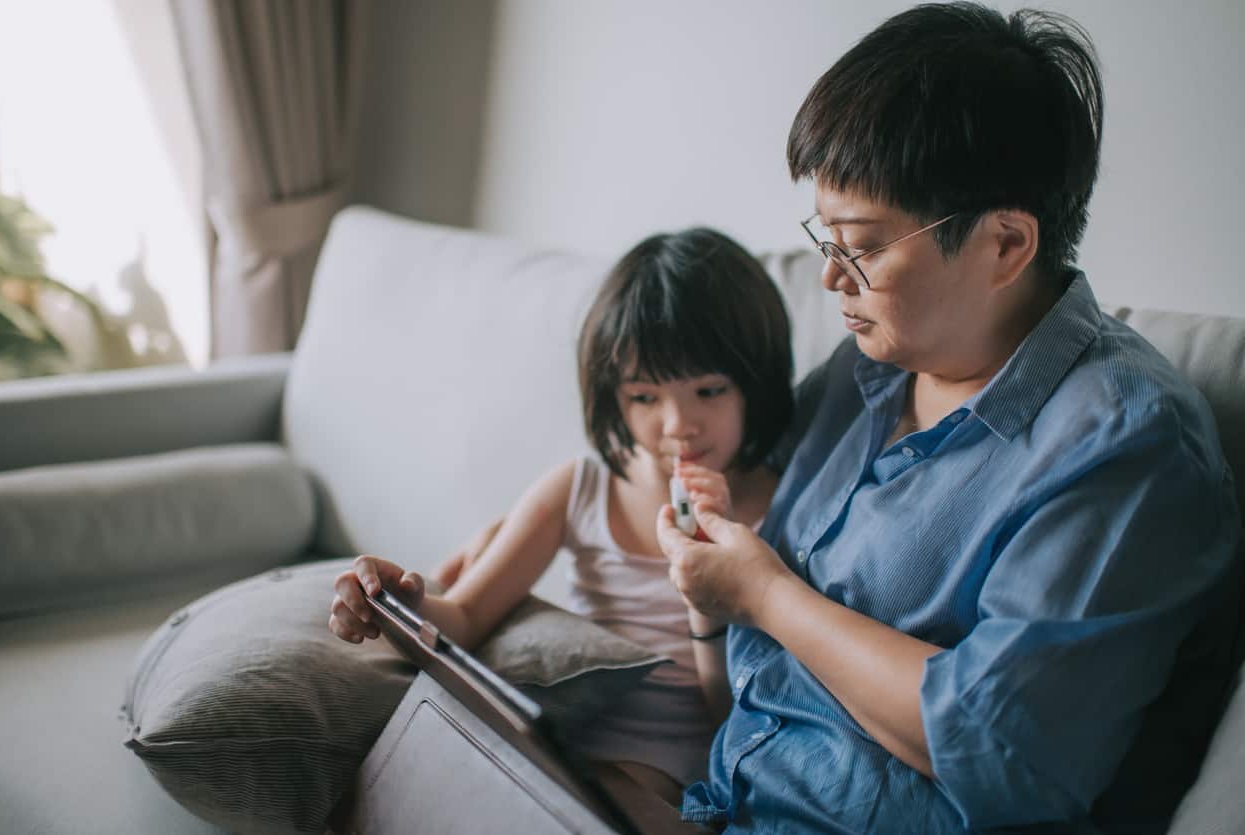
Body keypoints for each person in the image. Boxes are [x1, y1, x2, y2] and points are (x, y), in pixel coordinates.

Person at [652, 3, 1240, 833]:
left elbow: (1001, 749)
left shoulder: (1126, 446)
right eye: (823, 233)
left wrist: (766, 596)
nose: (829, 278)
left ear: (1005, 243)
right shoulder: (868, 368)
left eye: (859, 243)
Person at [328, 227, 795, 803]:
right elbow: (466, 617)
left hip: (677, 768)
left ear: (756, 383)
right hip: (557, 737)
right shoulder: (581, 488)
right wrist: (395, 601)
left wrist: (707, 590)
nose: (677, 425)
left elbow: (732, 711)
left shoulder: (786, 506)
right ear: (612, 397)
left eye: (709, 390)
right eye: (644, 397)